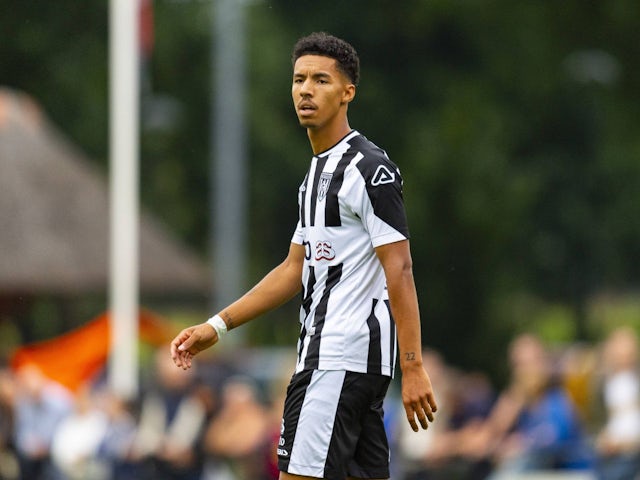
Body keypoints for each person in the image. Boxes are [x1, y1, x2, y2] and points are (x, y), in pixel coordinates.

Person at [170, 31, 437, 480]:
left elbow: (401, 267)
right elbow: (295, 268)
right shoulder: (314, 177)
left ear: (347, 93)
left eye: (320, 80)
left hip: (336, 362)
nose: (306, 90)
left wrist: (413, 367)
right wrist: (217, 326)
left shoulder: (368, 169)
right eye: (298, 80)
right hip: (350, 369)